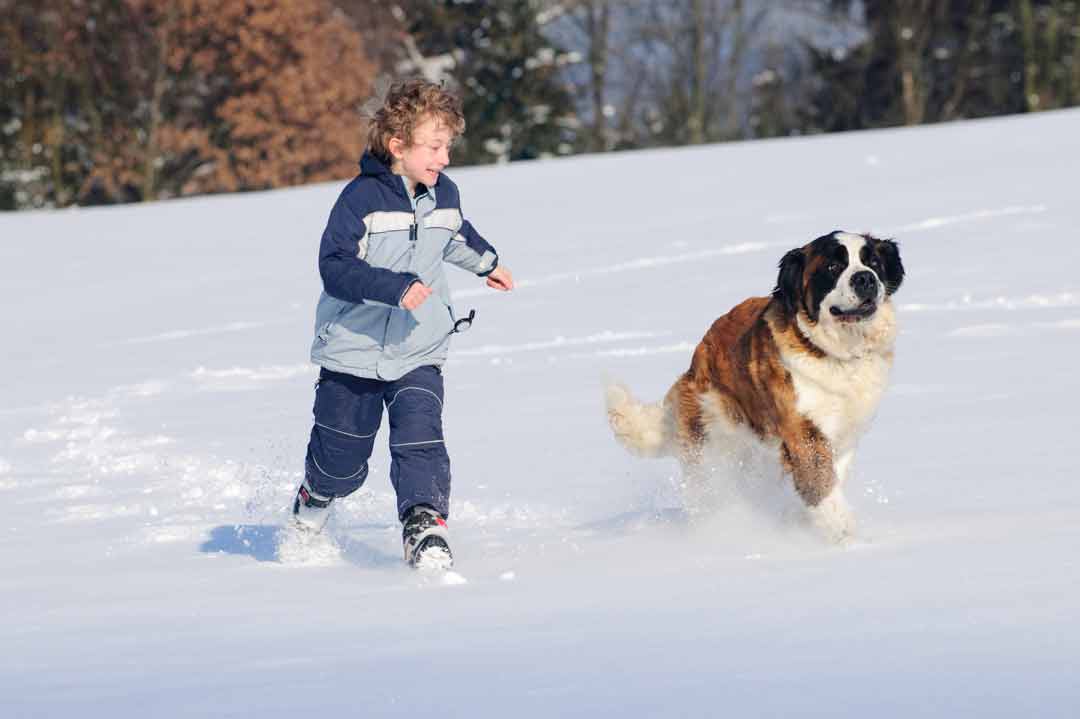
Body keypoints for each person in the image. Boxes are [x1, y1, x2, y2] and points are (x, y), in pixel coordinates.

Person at [290, 79, 514, 570]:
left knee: (421, 439)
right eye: (435, 146)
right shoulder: (360, 200)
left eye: (448, 146)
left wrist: (487, 263)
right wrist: (392, 287)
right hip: (353, 350)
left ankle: (425, 524)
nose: (445, 158)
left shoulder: (444, 193)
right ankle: (316, 494)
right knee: (342, 458)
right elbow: (334, 265)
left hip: (419, 346)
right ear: (398, 146)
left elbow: (454, 234)